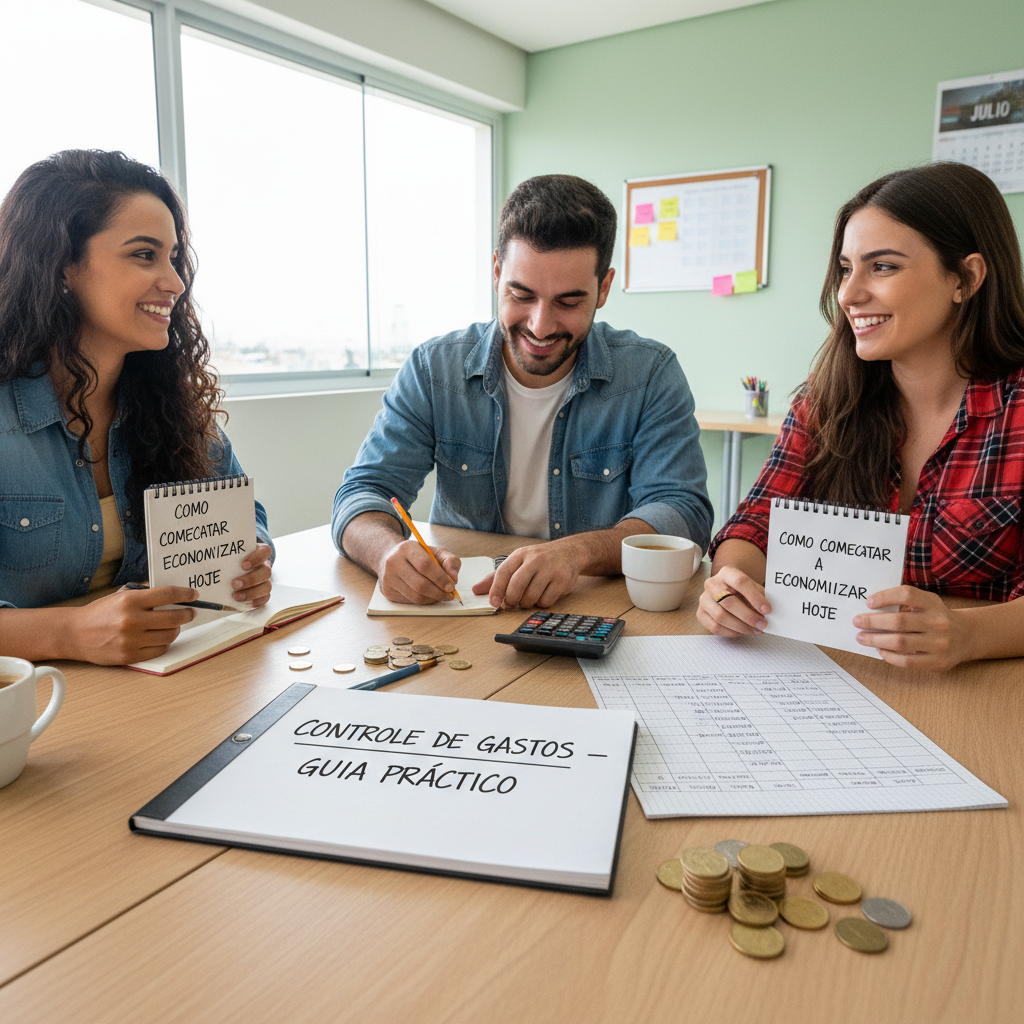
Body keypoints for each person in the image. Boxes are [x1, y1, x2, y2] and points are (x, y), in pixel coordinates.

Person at [698, 162, 1024, 671]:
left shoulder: (1016, 409)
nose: (848, 295)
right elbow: (754, 525)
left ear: (966, 278)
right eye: (847, 269)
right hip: (839, 679)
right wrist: (731, 583)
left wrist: (967, 634)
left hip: (986, 695)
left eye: (884, 267)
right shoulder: (825, 402)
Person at [334, 174, 713, 608]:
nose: (540, 325)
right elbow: (362, 492)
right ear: (497, 272)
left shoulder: (649, 374)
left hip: (588, 609)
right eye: (521, 294)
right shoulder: (433, 369)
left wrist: (578, 552)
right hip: (464, 609)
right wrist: (385, 553)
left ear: (603, 288)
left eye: (568, 303)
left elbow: (683, 513)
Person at [0, 150, 273, 665]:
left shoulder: (172, 404)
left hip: (163, 686)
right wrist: (68, 633)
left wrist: (253, 558)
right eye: (144, 255)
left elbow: (247, 518)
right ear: (62, 265)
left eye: (173, 257)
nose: (174, 282)